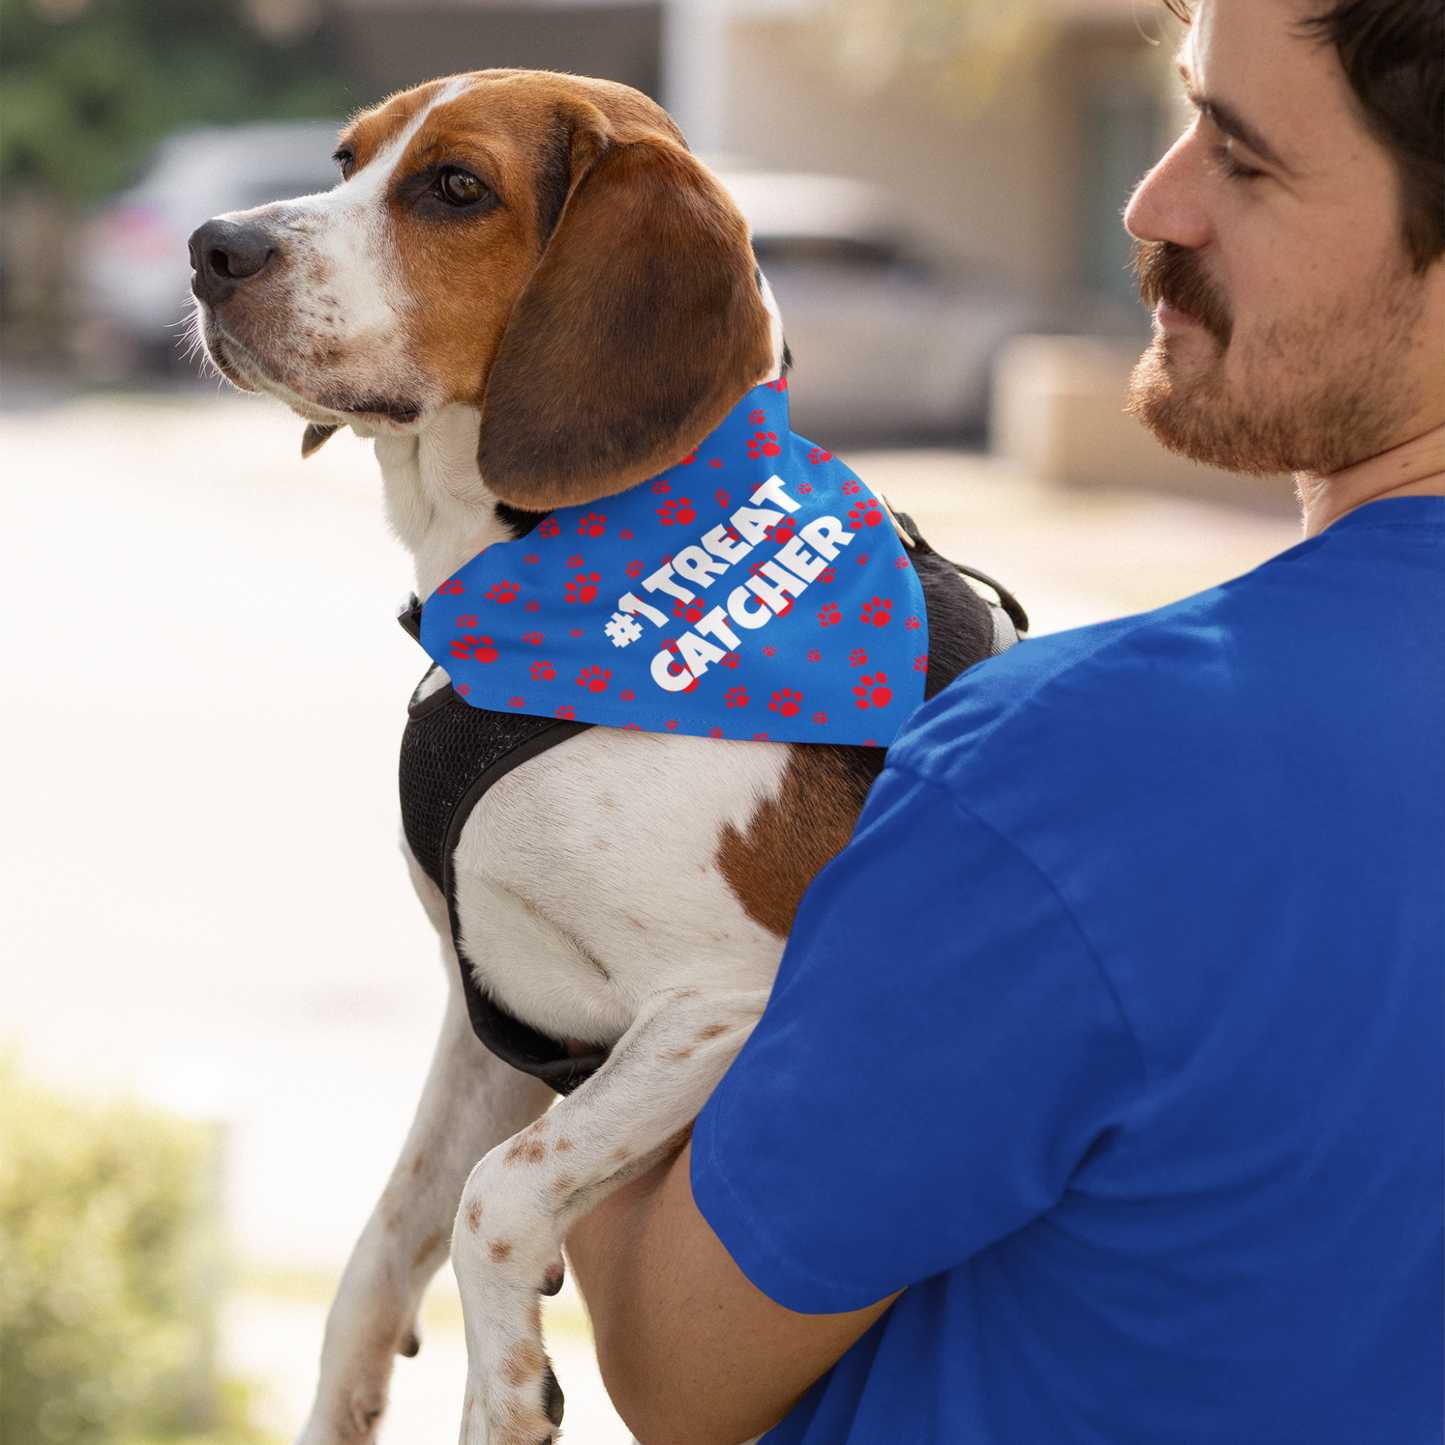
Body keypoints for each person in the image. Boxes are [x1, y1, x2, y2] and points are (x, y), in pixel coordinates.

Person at [565, 0, 1445, 1439]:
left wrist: (556, 863)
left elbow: (676, 1364)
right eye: (1182, 111)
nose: (1153, 198)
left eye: (1243, 154)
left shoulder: (1080, 772)